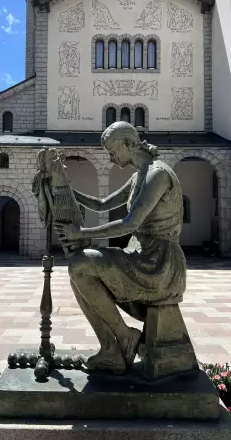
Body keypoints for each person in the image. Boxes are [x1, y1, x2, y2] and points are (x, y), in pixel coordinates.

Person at [55, 122, 186, 375]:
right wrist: (66, 191)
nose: (110, 158)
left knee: (80, 265)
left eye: (112, 151)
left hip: (160, 264)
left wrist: (82, 233)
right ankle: (111, 349)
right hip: (144, 257)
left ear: (128, 143)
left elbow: (131, 223)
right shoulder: (138, 176)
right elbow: (102, 204)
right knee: (77, 272)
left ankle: (125, 336)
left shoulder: (157, 174)